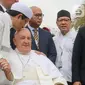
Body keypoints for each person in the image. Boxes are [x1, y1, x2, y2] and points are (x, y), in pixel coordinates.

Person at [0, 2, 33, 85]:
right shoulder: (1, 20)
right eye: (25, 21)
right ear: (19, 16)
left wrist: (32, 52)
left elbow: (5, 48)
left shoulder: (7, 24)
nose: (24, 25)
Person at [53, 10, 77, 85]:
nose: (63, 23)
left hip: (73, 79)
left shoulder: (77, 38)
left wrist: (78, 79)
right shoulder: (53, 39)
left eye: (66, 20)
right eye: (60, 20)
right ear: (56, 23)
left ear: (71, 22)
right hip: (56, 79)